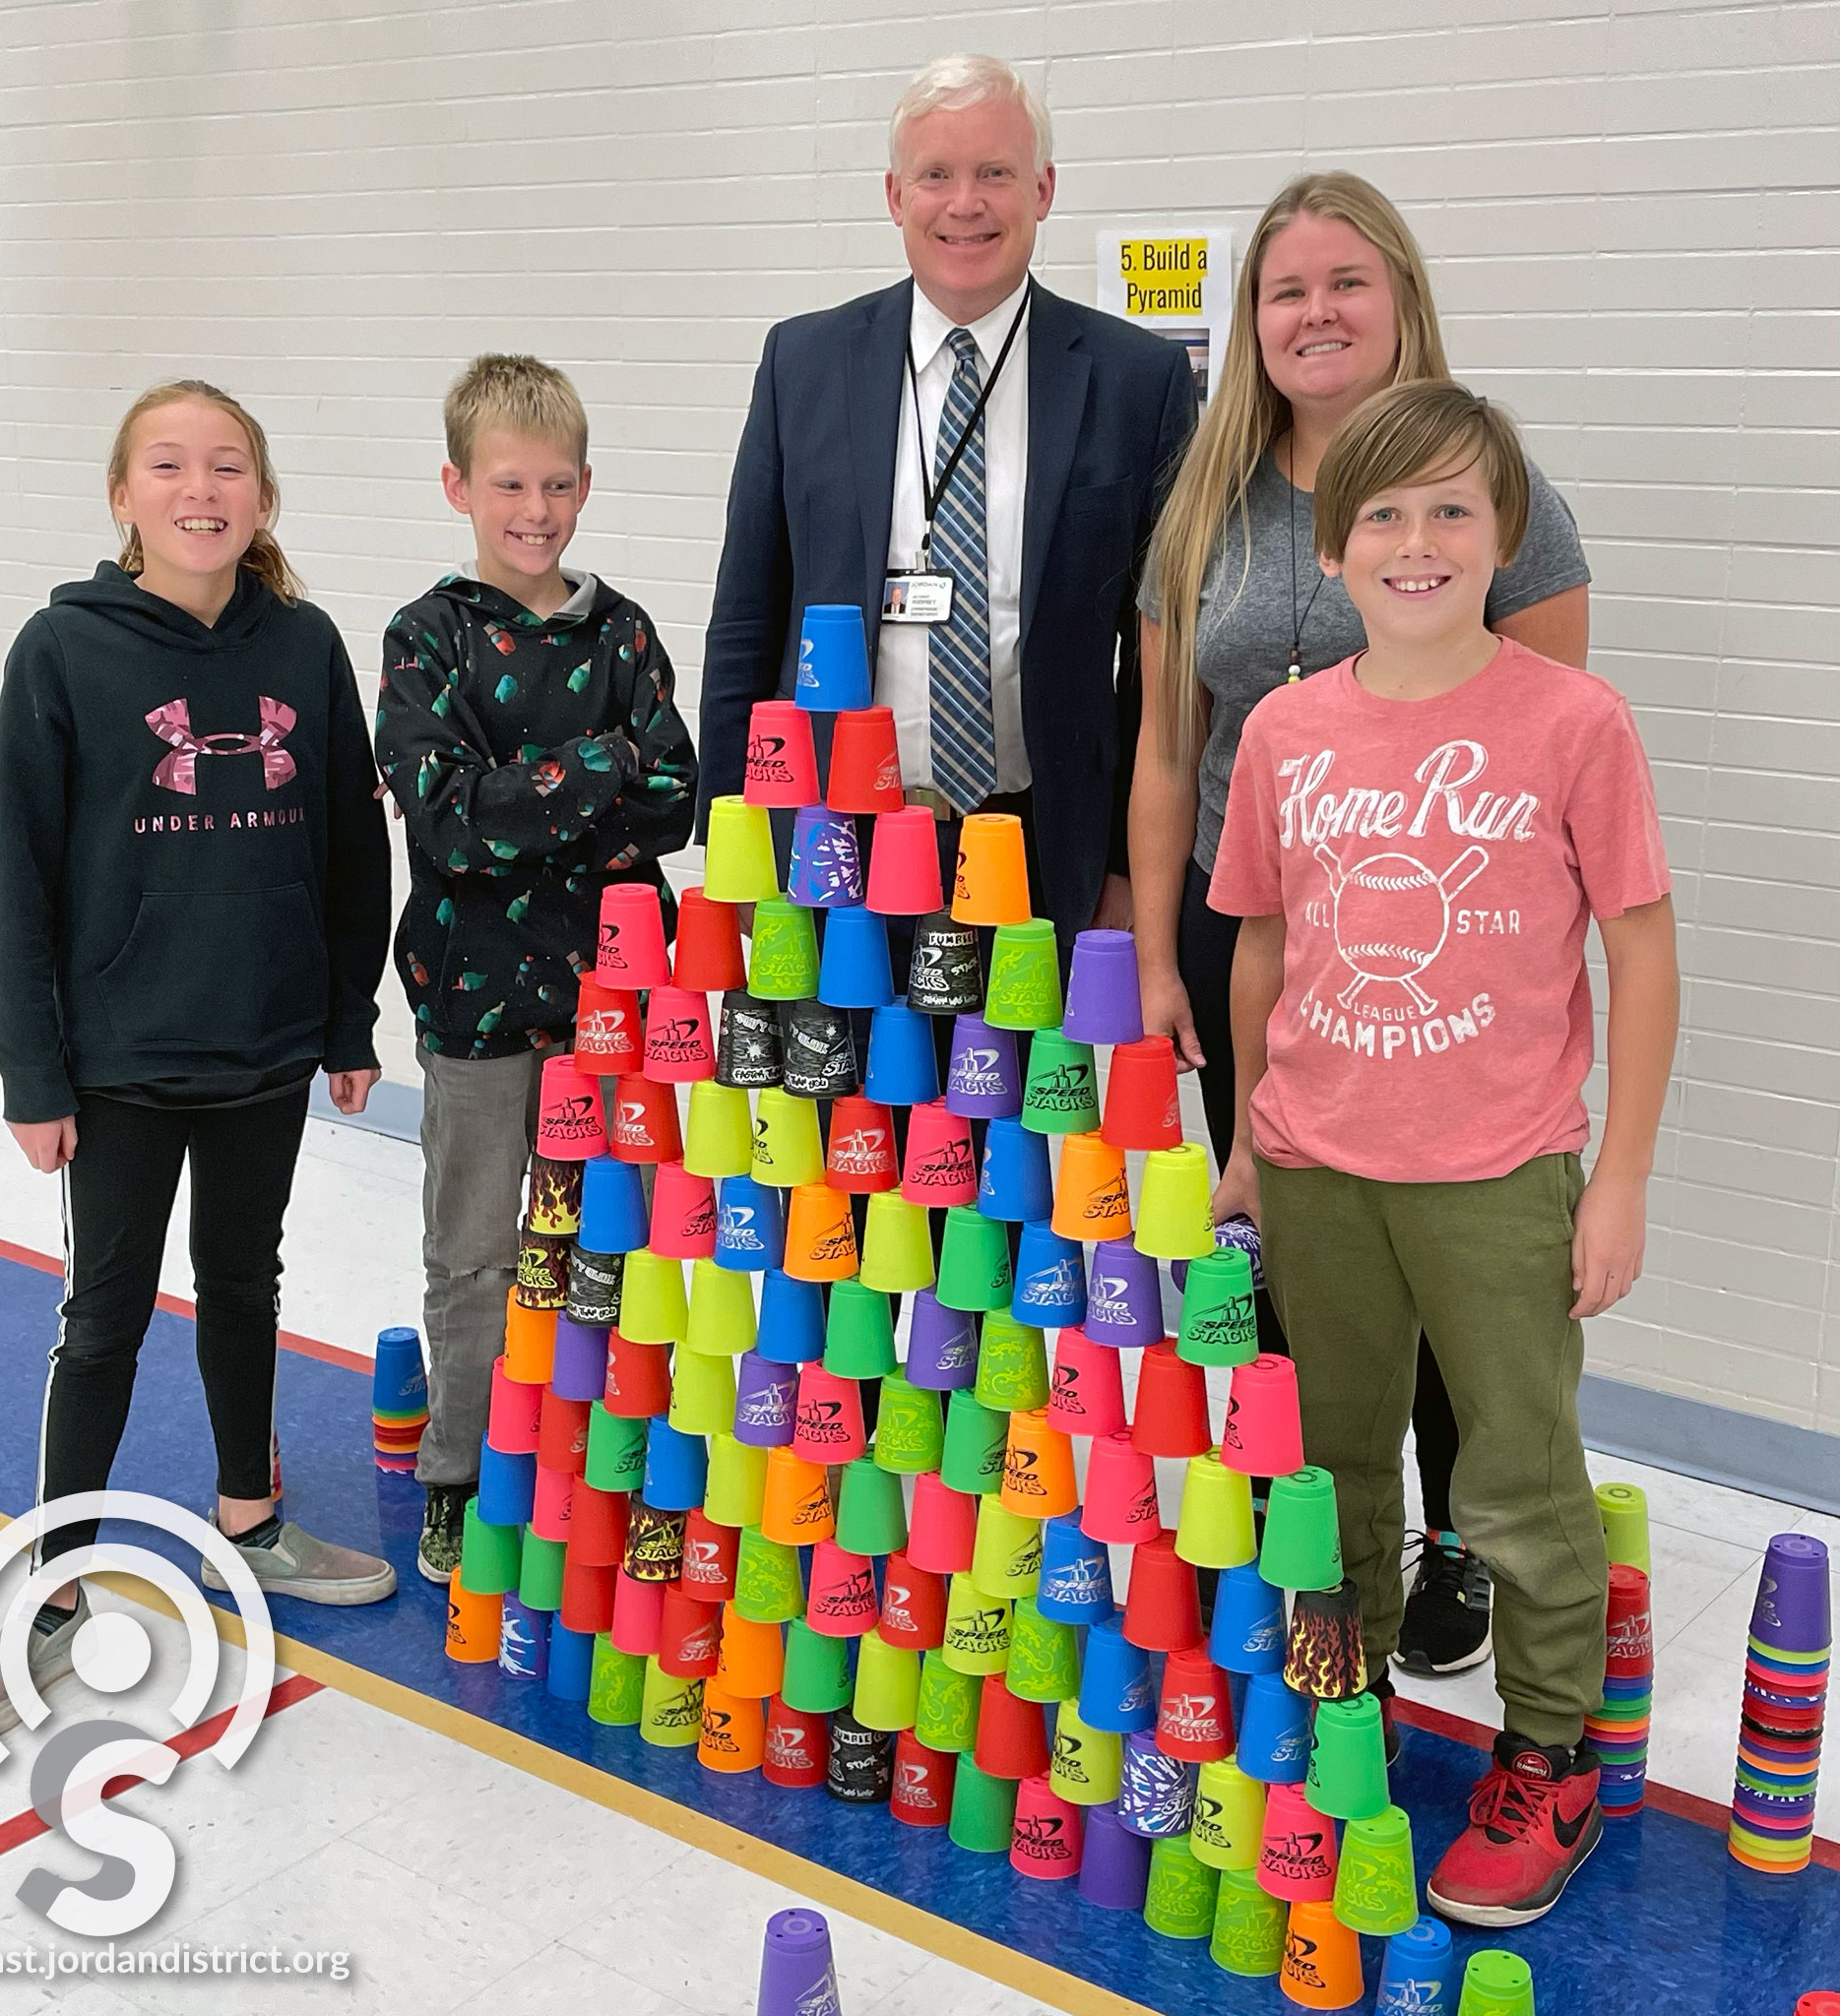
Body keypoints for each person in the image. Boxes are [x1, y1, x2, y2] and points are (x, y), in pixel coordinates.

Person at [1208, 380, 1678, 1925]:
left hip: (1500, 1173)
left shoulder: (1572, 723)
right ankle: (1347, 1725)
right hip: (1319, 1163)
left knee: (1520, 1479)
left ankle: (1550, 1757)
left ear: (1505, 534)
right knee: (1333, 1467)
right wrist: (1247, 1147)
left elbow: (1643, 950)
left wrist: (1618, 1182)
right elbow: (1262, 946)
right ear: (1333, 551)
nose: (1418, 542)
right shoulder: (1285, 730)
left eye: (1452, 510)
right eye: (1384, 515)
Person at [1129, 171, 1595, 1677]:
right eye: (1284, 290)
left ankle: (1464, 1541)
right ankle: (1326, 1547)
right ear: (1250, 322)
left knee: (1454, 1257)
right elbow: (1164, 748)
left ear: (1402, 299)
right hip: (1247, 931)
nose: (1314, 312)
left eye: (1345, 283)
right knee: (1297, 1254)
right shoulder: (1205, 504)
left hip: (1446, 958)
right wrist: (1153, 948)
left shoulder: (1496, 495)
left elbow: (1550, 761)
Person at [0, 381, 397, 1742]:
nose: (199, 489)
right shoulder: (63, 652)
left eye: (227, 467)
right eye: (168, 465)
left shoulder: (306, 646)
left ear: (260, 497)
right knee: (105, 1316)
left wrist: (345, 1020)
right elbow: (18, 875)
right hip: (119, 1060)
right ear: (123, 495)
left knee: (248, 1280)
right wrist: (35, 1072)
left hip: (264, 1044)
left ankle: (249, 1520)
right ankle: (52, 1591)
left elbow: (346, 846)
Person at [700, 52, 1195, 942]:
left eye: (995, 173)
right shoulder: (803, 365)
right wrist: (732, 839)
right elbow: (745, 618)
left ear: (1043, 189)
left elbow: (1155, 668)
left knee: (1008, 1085)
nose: (965, 203)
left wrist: (1127, 868)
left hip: (1043, 846)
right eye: (936, 175)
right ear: (896, 196)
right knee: (842, 1084)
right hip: (828, 837)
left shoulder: (1139, 382)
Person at [375, 355, 696, 1584]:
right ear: (458, 484)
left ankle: (584, 1455)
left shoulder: (622, 632)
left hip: (614, 1007)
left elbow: (676, 800)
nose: (536, 508)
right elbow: (446, 821)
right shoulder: (427, 637)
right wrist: (595, 768)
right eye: (509, 482)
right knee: (476, 1253)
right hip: (472, 1003)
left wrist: (529, 796)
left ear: (586, 485)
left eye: (557, 484)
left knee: (604, 1244)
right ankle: (459, 1470)